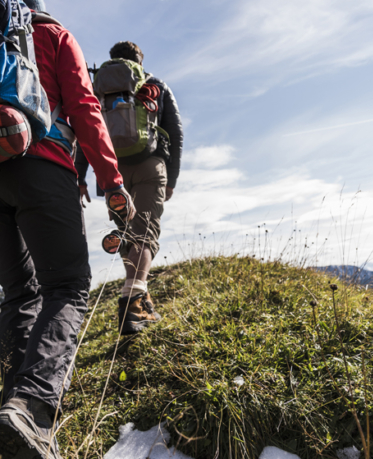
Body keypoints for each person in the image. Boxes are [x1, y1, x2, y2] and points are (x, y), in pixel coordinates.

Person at [0, 1, 135, 458]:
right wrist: (111, 180)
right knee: (70, 286)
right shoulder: (54, 36)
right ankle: (33, 408)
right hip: (45, 167)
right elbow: (83, 107)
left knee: (20, 295)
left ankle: (16, 417)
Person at [76, 41, 183, 335]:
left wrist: (80, 175)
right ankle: (133, 304)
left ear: (112, 60)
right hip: (150, 164)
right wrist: (171, 178)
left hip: (112, 172)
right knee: (145, 231)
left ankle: (137, 294)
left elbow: (88, 128)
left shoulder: (99, 88)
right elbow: (175, 131)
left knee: (127, 233)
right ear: (139, 60)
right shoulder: (155, 84)